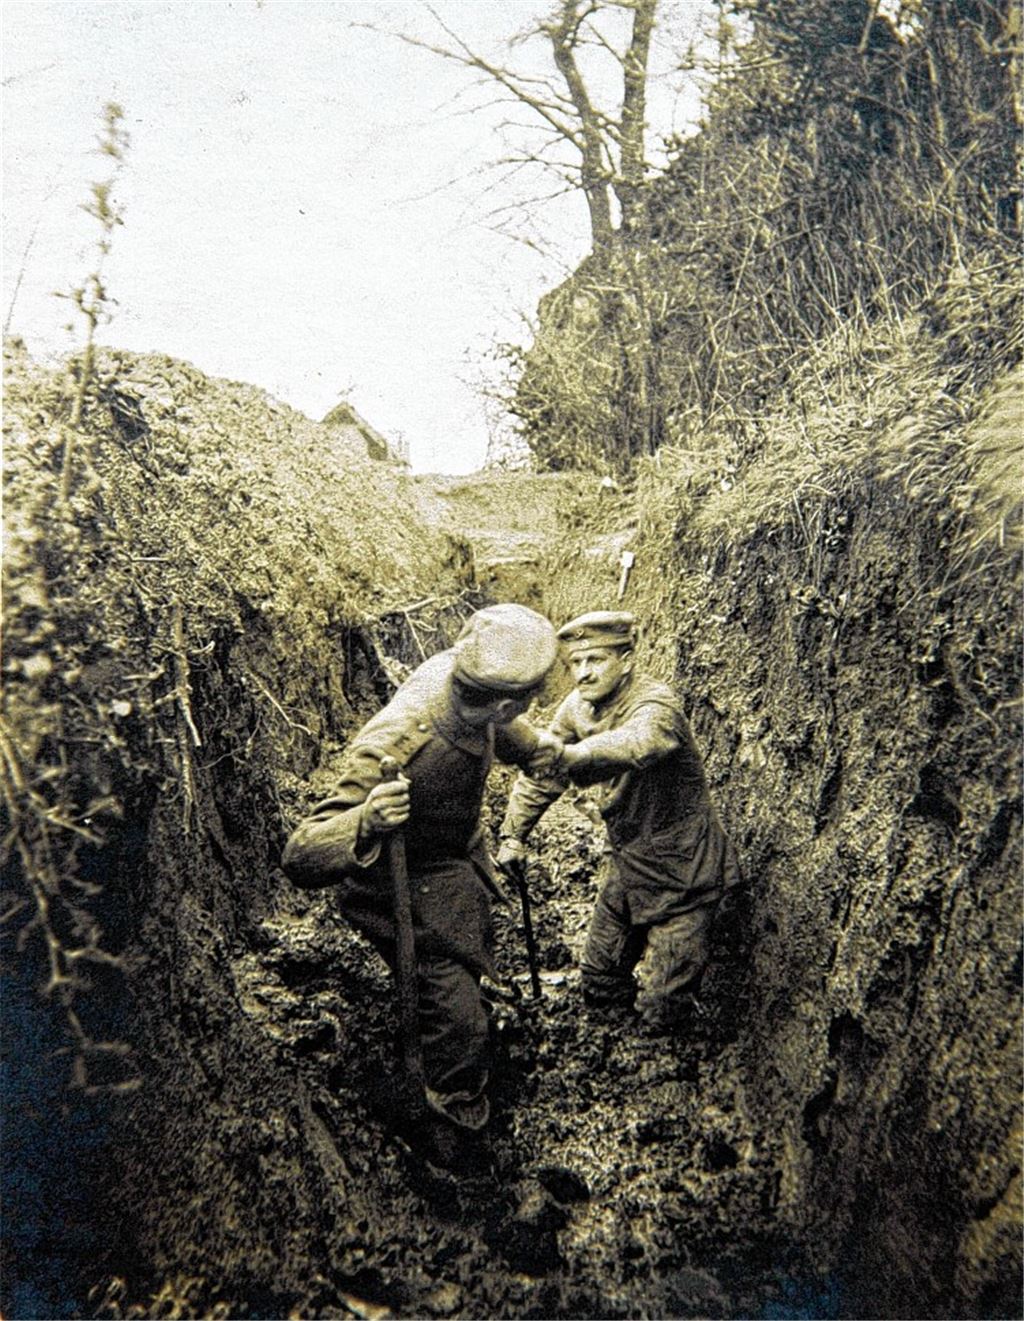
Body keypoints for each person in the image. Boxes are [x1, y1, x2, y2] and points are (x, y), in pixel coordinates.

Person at [281, 604, 560, 1171]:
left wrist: (533, 751)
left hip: (453, 863)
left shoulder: (469, 682)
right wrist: (366, 820)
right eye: (528, 700)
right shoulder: (403, 741)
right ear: (507, 699)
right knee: (457, 1020)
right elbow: (300, 853)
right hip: (399, 888)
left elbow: (495, 726)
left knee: (467, 964)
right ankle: (456, 1131)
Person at [497, 610, 740, 1035]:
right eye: (575, 663)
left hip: (685, 874)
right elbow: (544, 773)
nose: (583, 674)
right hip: (626, 865)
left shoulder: (656, 704)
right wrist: (513, 834)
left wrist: (575, 756)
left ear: (626, 660)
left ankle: (660, 1077)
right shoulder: (577, 707)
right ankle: (610, 1041)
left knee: (663, 1010)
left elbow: (639, 744)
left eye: (596, 660)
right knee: (599, 979)